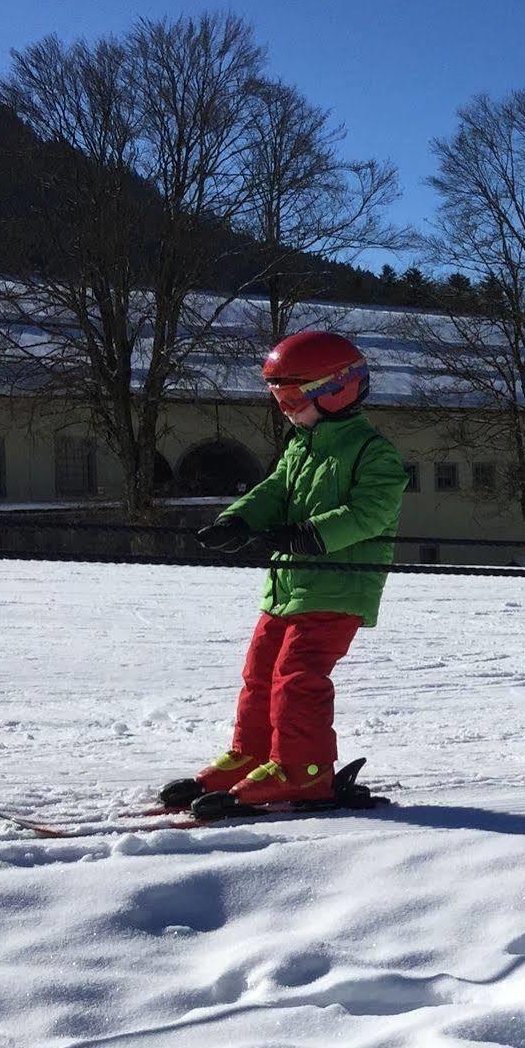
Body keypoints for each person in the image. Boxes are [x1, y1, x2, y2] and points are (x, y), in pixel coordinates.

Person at [161, 331, 407, 813]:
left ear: (337, 390)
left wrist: (308, 535)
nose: (287, 409)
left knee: (297, 678)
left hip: (338, 589)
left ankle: (303, 771)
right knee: (260, 672)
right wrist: (239, 519)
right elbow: (274, 490)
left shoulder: (373, 452)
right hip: (288, 584)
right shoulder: (302, 445)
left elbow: (372, 513)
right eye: (278, 399)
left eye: (294, 397)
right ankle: (254, 757)